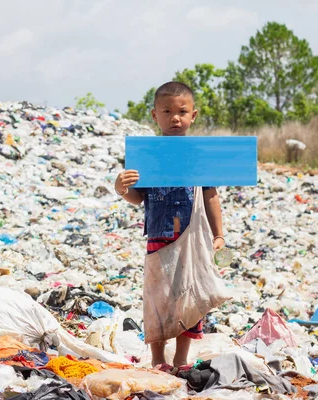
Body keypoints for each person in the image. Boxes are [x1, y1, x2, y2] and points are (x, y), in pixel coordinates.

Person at [114, 81, 225, 371]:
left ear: (193, 115)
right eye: (167, 111)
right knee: (158, 299)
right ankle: (158, 359)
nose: (175, 117)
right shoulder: (147, 156)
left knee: (191, 296)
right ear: (154, 116)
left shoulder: (199, 155)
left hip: (191, 236)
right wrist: (122, 189)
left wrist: (219, 235)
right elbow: (138, 198)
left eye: (182, 111)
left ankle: (181, 358)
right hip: (159, 235)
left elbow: (210, 195)